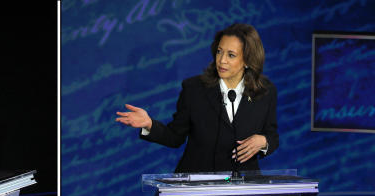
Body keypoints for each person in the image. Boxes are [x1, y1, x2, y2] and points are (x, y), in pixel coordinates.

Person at [116, 23, 278, 173]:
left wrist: (263, 141)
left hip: (242, 187)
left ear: (248, 60)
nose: (222, 60)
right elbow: (175, 137)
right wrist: (149, 124)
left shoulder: (265, 91)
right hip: (197, 183)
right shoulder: (194, 89)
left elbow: (272, 135)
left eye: (231, 55)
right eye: (219, 51)